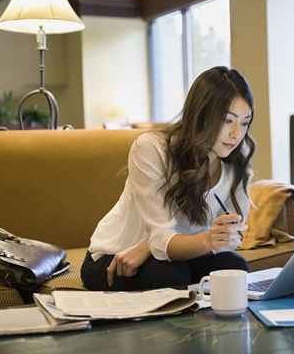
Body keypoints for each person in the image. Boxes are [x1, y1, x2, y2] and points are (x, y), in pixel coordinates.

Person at [81, 66, 256, 291]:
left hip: (177, 255)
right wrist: (204, 240)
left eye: (244, 122)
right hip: (116, 255)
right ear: (201, 115)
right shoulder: (152, 149)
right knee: (170, 274)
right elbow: (163, 236)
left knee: (233, 267)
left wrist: (225, 236)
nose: (236, 134)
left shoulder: (236, 162)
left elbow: (231, 238)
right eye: (227, 120)